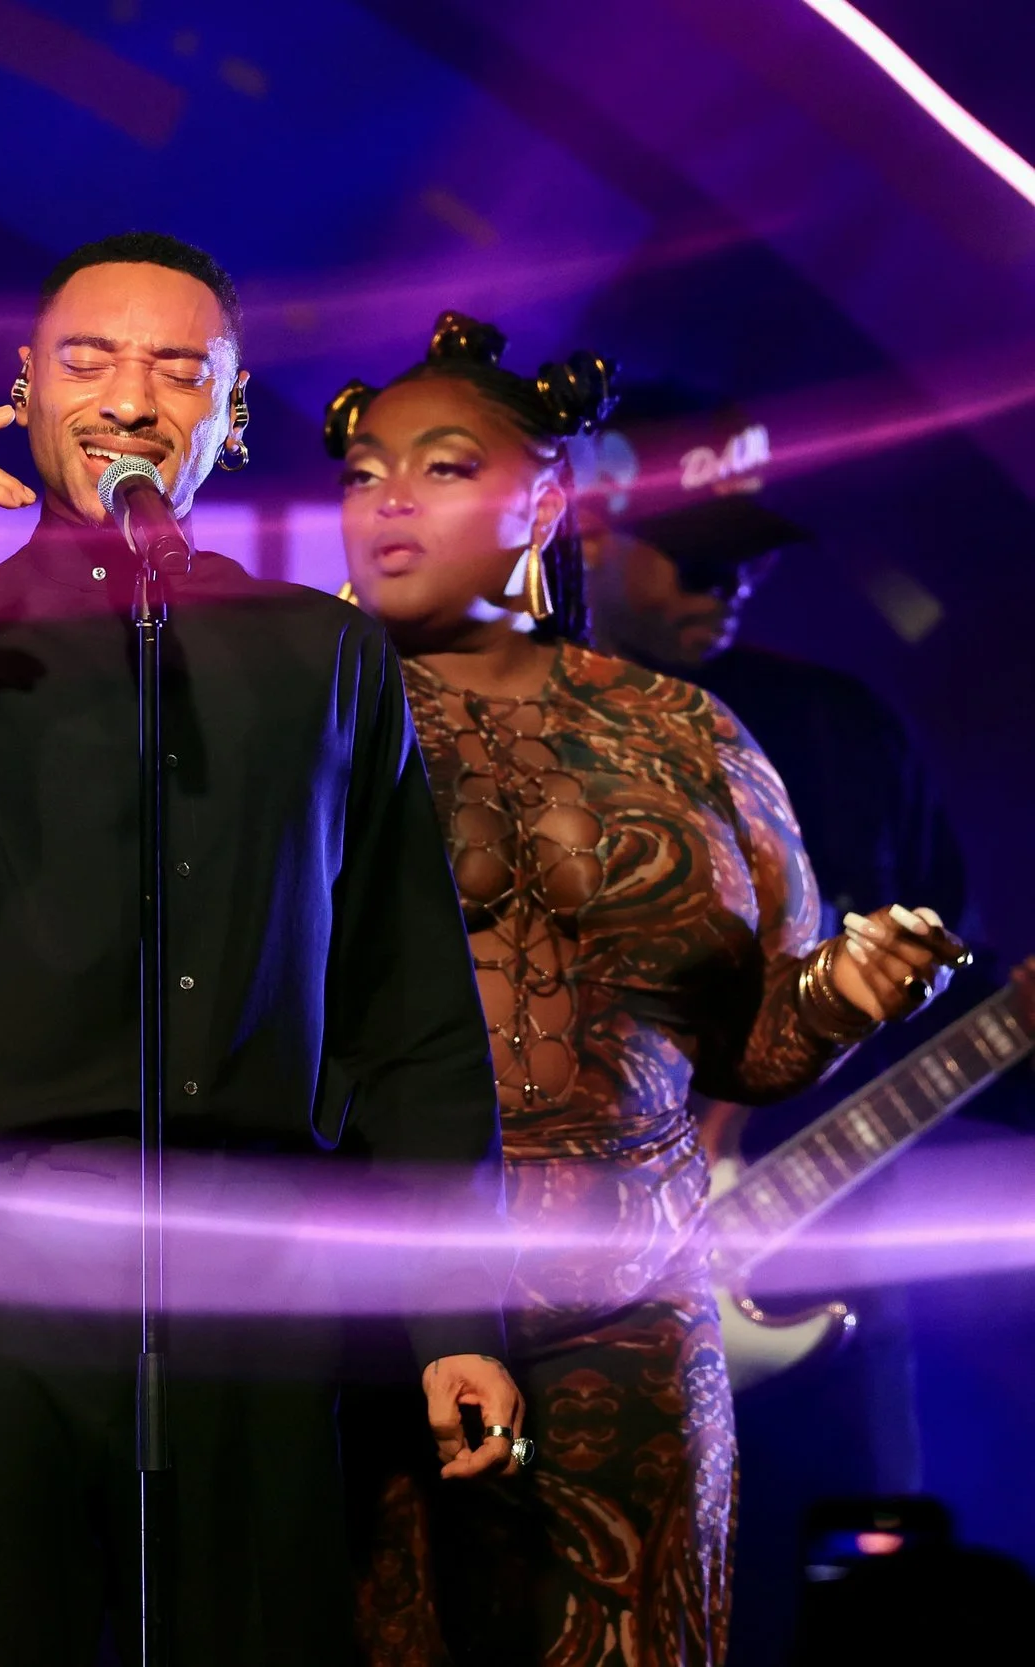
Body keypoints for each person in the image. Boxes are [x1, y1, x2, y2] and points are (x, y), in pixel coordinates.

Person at [0, 231, 525, 1667]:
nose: (130, 397)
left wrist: (455, 1312)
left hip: (248, 1258)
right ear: (22, 388)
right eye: (88, 358)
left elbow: (408, 1002)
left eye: (180, 367)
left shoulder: (322, 653)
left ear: (231, 417)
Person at [325, 312, 972, 1666]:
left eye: (442, 465)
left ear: (547, 499)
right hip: (365, 1299)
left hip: (634, 1320)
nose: (389, 493)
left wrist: (852, 992)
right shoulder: (298, 715)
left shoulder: (687, 733)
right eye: (364, 465)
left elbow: (755, 1047)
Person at [576, 388, 1035, 1665]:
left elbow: (946, 975)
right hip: (584, 1294)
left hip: (831, 1286)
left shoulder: (839, 724)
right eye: (694, 554)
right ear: (583, 536)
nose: (728, 585)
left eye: (748, 556)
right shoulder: (516, 727)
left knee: (850, 1623)